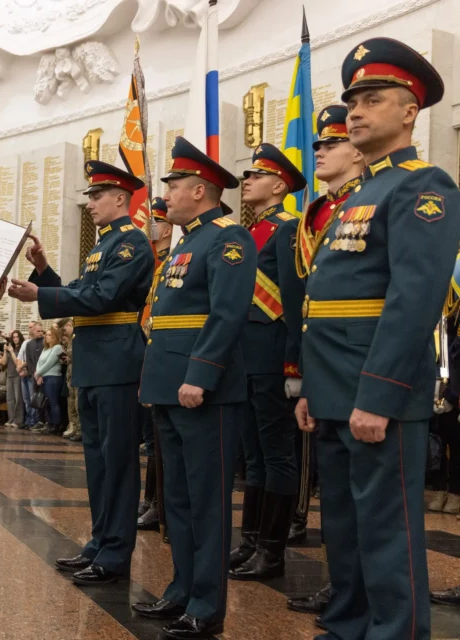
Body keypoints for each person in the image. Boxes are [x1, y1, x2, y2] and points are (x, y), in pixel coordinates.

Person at [295, 38, 460, 640]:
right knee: (342, 524)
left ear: (410, 110)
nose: (355, 111)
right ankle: (348, 625)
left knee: (388, 529)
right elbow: (324, 305)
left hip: (376, 391)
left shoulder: (422, 186)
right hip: (336, 388)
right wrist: (312, 387)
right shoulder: (351, 199)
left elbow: (413, 301)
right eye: (352, 101)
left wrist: (380, 394)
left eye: (373, 99)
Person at [132, 137, 255, 639]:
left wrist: (199, 377)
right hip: (169, 387)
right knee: (177, 501)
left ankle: (207, 605)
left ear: (200, 190)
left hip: (202, 391)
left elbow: (227, 315)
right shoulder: (187, 241)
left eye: (174, 187)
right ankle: (182, 588)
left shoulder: (229, 238)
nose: (166, 198)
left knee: (207, 502)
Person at [10, 159, 153, 586]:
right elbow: (78, 291)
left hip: (117, 361)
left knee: (118, 462)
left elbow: (101, 297)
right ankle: (99, 542)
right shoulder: (101, 246)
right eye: (89, 195)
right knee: (98, 462)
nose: (89, 203)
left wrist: (42, 292)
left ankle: (115, 553)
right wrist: (43, 271)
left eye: (96, 195)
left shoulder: (131, 244)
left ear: (121, 199)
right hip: (95, 362)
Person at [284, 103, 365, 619]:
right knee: (335, 502)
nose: (319, 153)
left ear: (356, 150)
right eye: (316, 145)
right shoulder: (318, 211)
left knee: (366, 505)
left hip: (361, 367)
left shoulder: (370, 201)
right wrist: (306, 377)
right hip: (327, 370)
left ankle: (362, 599)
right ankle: (344, 590)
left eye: (329, 144)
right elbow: (311, 304)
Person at [228, 143, 308, 582]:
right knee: (253, 457)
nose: (247, 182)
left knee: (277, 454)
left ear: (279, 185)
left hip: (275, 355)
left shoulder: (290, 229)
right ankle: (250, 541)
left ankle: (273, 551)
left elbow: (294, 304)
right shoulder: (250, 232)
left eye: (256, 176)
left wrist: (295, 365)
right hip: (246, 356)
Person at [138, 198, 173, 531]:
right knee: (151, 437)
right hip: (147, 352)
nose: (150, 228)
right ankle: (150, 500)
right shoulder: (151, 263)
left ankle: (157, 503)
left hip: (159, 352)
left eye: (155, 223)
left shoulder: (168, 261)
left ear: (166, 228)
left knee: (157, 438)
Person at [33, 326, 65, 434]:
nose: (47, 336)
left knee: (53, 402)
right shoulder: (45, 348)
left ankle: (56, 424)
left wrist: (38, 373)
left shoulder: (57, 348)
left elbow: (49, 363)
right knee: (45, 403)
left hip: (53, 378)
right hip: (44, 377)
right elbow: (39, 362)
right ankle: (49, 423)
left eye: (50, 335)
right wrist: (39, 375)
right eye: (46, 335)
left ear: (55, 337)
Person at [19, 322, 45, 429]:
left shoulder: (45, 342)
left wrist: (40, 373)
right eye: (38, 331)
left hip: (42, 374)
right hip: (32, 375)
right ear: (33, 331)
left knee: (39, 398)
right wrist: (31, 373)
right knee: (30, 399)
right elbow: (29, 360)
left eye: (41, 331)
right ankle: (30, 420)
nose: (40, 333)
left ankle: (38, 420)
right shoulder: (29, 344)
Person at [60, 319, 81, 441]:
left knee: (78, 404)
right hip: (70, 375)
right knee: (71, 404)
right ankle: (75, 428)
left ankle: (80, 430)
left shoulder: (77, 338)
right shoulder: (70, 340)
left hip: (77, 374)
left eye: (68, 326)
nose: (65, 329)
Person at [2, 330, 25, 428]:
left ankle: (18, 420)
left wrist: (11, 351)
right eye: (14, 337)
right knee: (10, 399)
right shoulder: (10, 347)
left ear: (20, 338)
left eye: (17, 337)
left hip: (18, 375)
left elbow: (18, 363)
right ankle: (11, 419)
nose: (15, 339)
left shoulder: (21, 348)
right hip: (9, 375)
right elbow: (3, 363)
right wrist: (5, 350)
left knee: (18, 398)